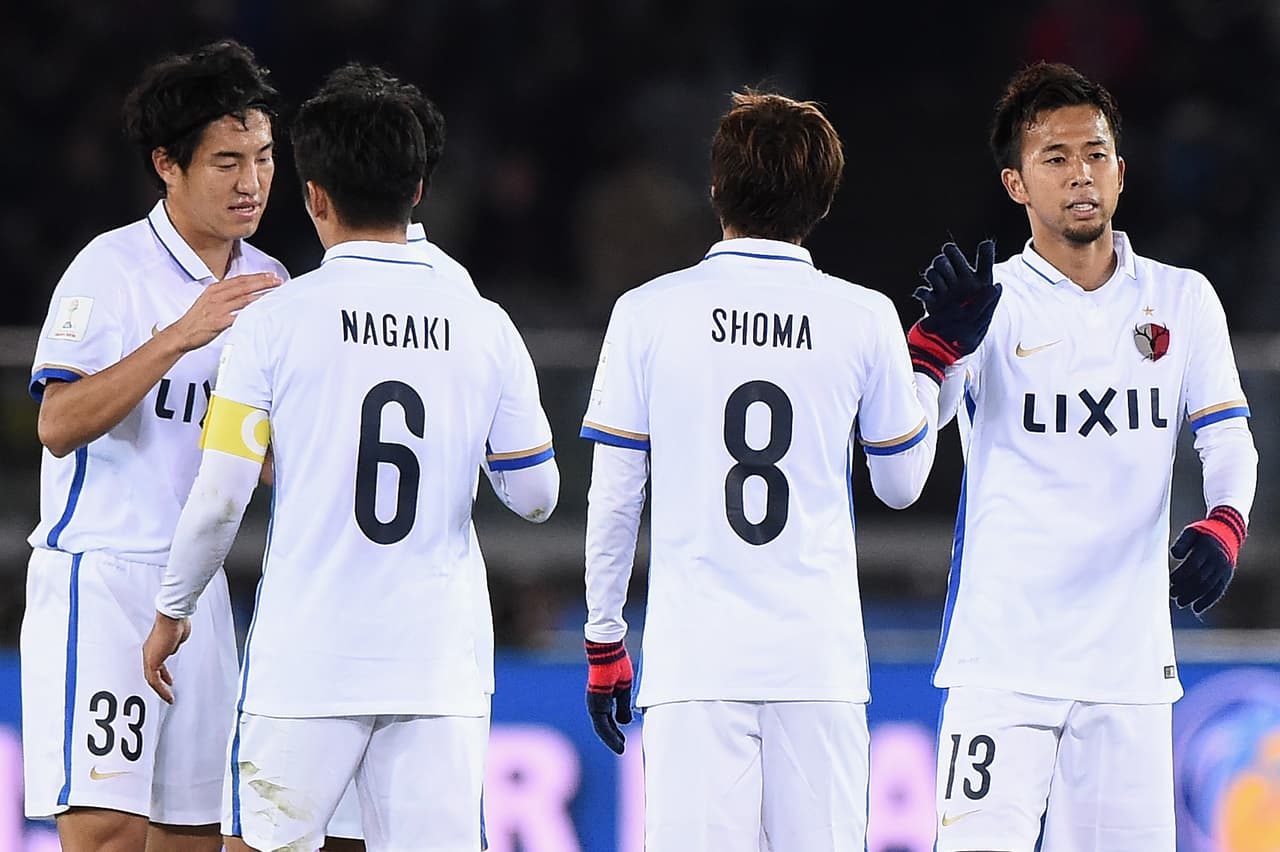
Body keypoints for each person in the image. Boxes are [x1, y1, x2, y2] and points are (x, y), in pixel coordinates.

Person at [141, 65, 559, 852]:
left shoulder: (273, 320)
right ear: (421, 190)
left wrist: (173, 609)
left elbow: (222, 495)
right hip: (438, 663)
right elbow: (535, 493)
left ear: (315, 196)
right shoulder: (483, 323)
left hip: (308, 659)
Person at [579, 90, 999, 852]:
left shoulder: (647, 311)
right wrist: (935, 358)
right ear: (825, 200)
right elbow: (901, 483)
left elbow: (615, 496)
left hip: (695, 662)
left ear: (715, 188)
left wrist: (605, 638)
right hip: (818, 664)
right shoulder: (861, 314)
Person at [925, 61, 1258, 852]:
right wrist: (938, 345)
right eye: (1055, 158)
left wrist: (1225, 524)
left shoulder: (1181, 298)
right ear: (1016, 184)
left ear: (1120, 169)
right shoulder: (989, 302)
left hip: (1128, 674)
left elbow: (1227, 437)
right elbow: (914, 435)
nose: (1081, 174)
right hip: (1002, 667)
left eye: (1096, 153)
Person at [21, 40, 284, 852]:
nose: (251, 183)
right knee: (106, 833)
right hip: (103, 576)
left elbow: (267, 456)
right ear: (167, 164)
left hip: (199, 591)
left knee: (197, 837)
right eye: (227, 161)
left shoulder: (274, 285)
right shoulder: (110, 270)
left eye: (266, 158)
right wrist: (181, 335)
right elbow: (57, 423)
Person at [311, 62, 492, 852]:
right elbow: (527, 482)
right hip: (429, 634)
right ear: (419, 184)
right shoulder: (465, 298)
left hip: (320, 626)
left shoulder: (303, 300)